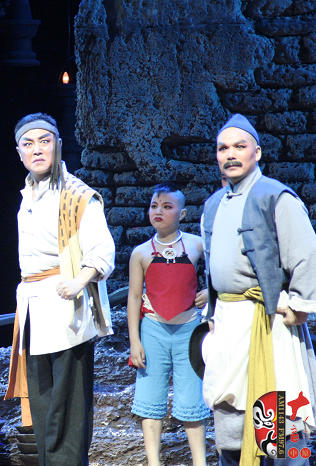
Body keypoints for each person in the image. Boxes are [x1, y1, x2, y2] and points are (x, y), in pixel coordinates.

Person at [200, 114, 316, 465]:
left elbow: (307, 253)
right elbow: (211, 265)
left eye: (239, 146)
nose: (230, 154)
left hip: (268, 322)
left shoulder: (275, 197)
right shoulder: (213, 204)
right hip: (228, 324)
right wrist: (212, 312)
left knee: (280, 419)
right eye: (223, 148)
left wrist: (300, 306)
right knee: (232, 425)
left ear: (257, 152)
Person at [4, 113, 115, 465]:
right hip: (35, 309)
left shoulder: (77, 195)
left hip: (67, 309)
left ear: (58, 145)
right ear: (19, 152)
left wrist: (80, 280)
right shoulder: (28, 195)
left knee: (67, 407)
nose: (37, 150)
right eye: (28, 144)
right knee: (43, 403)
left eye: (44, 141)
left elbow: (103, 250)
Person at [127, 182, 210, 465]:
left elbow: (219, 274)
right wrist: (135, 341)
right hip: (153, 330)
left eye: (167, 206)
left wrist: (210, 293)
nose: (158, 211)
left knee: (192, 399)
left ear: (182, 213)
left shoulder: (197, 245)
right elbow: (134, 297)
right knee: (150, 399)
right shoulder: (140, 253)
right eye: (154, 206)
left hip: (189, 330)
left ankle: (200, 461)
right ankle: (154, 461)